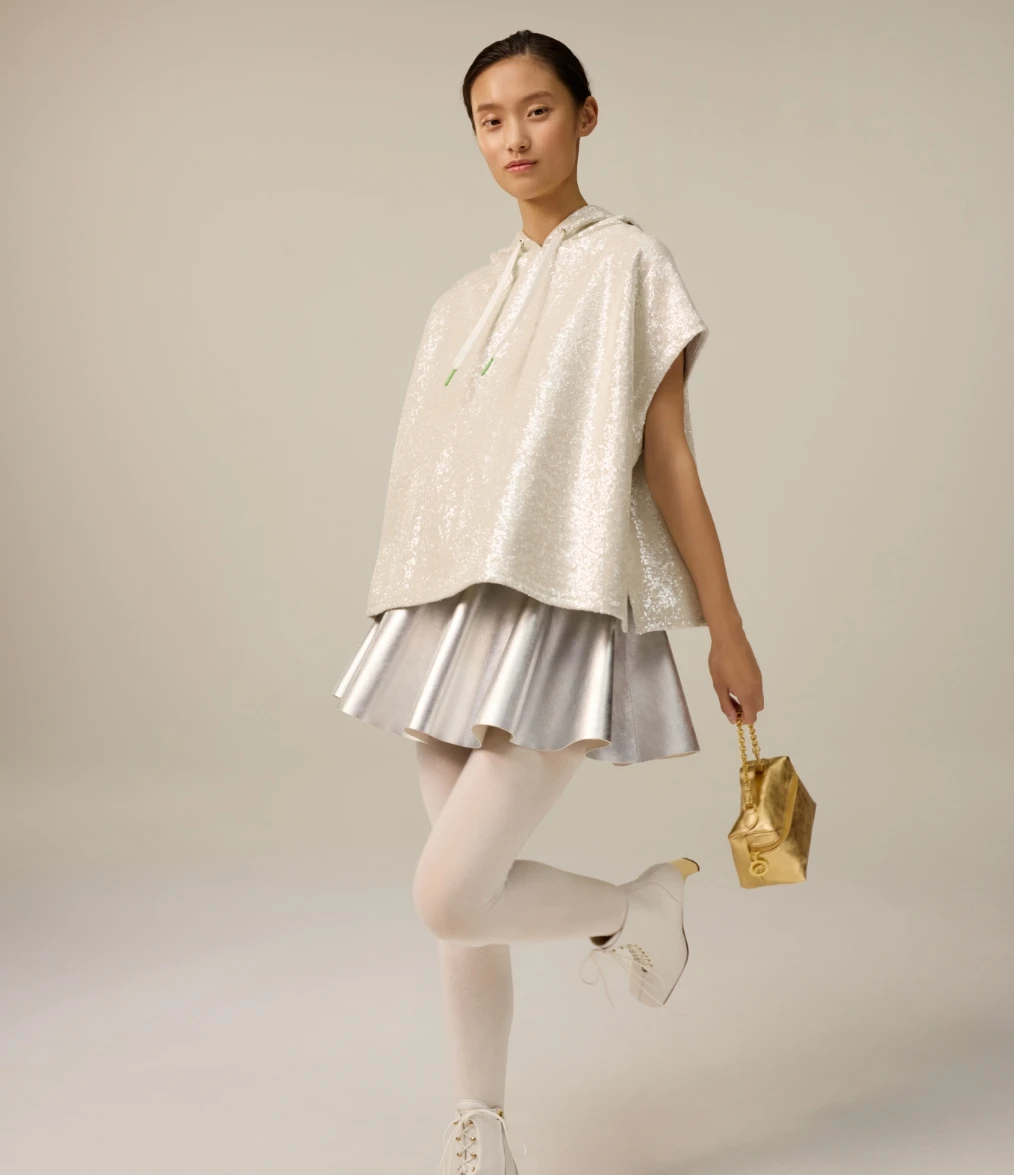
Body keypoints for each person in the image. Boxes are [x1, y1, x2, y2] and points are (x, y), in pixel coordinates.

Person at [333, 28, 763, 1175]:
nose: (514, 137)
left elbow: (668, 458)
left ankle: (632, 910)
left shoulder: (628, 264)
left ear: (585, 115)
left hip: (566, 606)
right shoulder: (459, 302)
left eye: (536, 109)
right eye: (490, 118)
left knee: (448, 892)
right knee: (465, 895)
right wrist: (399, 611)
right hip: (444, 616)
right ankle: (482, 1125)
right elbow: (429, 479)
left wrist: (723, 630)